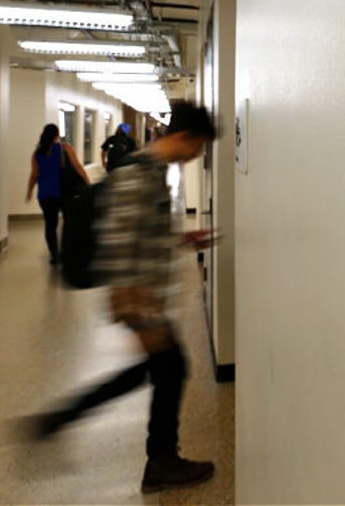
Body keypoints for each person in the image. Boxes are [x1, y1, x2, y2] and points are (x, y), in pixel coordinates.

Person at [26, 101, 218, 494]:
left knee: (157, 371)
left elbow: (141, 232)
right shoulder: (140, 175)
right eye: (198, 147)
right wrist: (137, 312)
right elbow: (119, 244)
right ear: (184, 137)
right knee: (169, 370)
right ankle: (159, 461)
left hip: (144, 298)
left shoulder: (151, 170)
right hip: (139, 300)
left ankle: (64, 420)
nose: (197, 156)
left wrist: (182, 239)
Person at [25, 124, 90, 264]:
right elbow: (77, 166)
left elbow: (34, 175)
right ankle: (68, 251)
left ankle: (54, 254)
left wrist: (29, 191)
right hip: (63, 191)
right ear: (57, 134)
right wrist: (87, 182)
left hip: (45, 194)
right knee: (68, 222)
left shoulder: (37, 153)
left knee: (50, 224)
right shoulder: (64, 148)